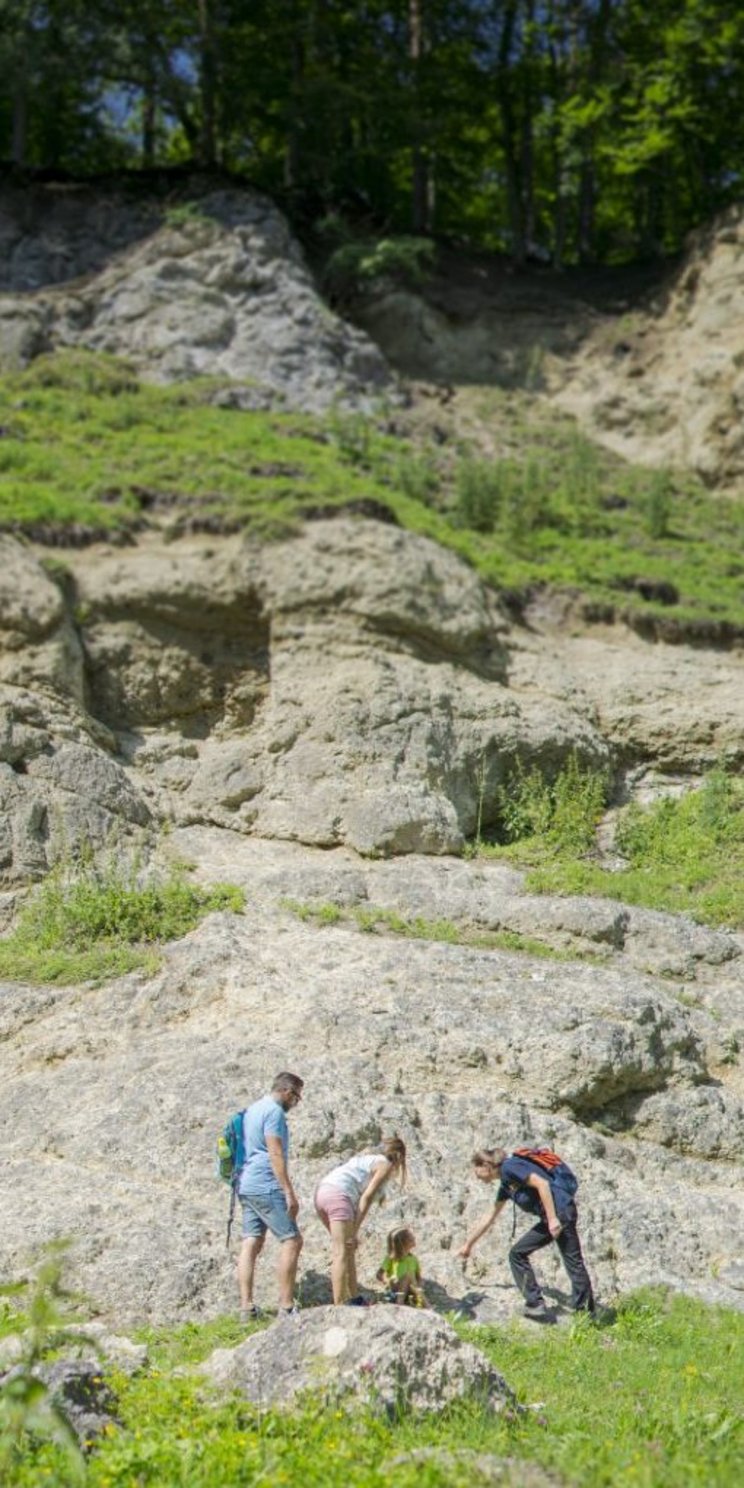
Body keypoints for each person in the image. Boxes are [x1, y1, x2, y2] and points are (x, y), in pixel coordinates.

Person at [457, 1146, 594, 1319]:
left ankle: (586, 1315)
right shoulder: (506, 1185)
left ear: (486, 1164)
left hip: (560, 1213)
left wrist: (552, 1219)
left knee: (573, 1262)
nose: (475, 1175)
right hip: (551, 1217)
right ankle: (536, 1304)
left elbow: (542, 1184)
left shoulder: (509, 1167)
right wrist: (468, 1244)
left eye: (476, 1169)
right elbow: (489, 1216)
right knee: (517, 1253)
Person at [237, 1071, 304, 1321]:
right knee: (292, 1240)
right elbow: (275, 1152)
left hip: (246, 1183)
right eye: (296, 1097)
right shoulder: (274, 1112)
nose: (295, 1103)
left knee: (250, 1242)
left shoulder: (253, 1109)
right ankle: (286, 1307)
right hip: (266, 1183)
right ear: (286, 1091)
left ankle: (246, 1307)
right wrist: (288, 1191)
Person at [314, 1136, 407, 1305]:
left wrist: (352, 1234)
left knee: (347, 1249)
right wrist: (355, 1230)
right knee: (341, 1251)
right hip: (339, 1195)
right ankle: (340, 1304)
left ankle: (353, 1297)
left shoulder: (365, 1161)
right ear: (399, 1157)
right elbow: (366, 1198)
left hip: (322, 1193)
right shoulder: (384, 1165)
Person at [377, 1226, 426, 1307]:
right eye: (411, 1238)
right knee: (407, 1276)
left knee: (410, 1277)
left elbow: (418, 1277)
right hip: (396, 1288)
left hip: (411, 1290)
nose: (414, 1238)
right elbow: (379, 1274)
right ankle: (400, 1303)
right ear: (403, 1243)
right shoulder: (391, 1258)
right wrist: (387, 1280)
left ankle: (405, 1302)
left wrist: (420, 1284)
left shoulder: (413, 1259)